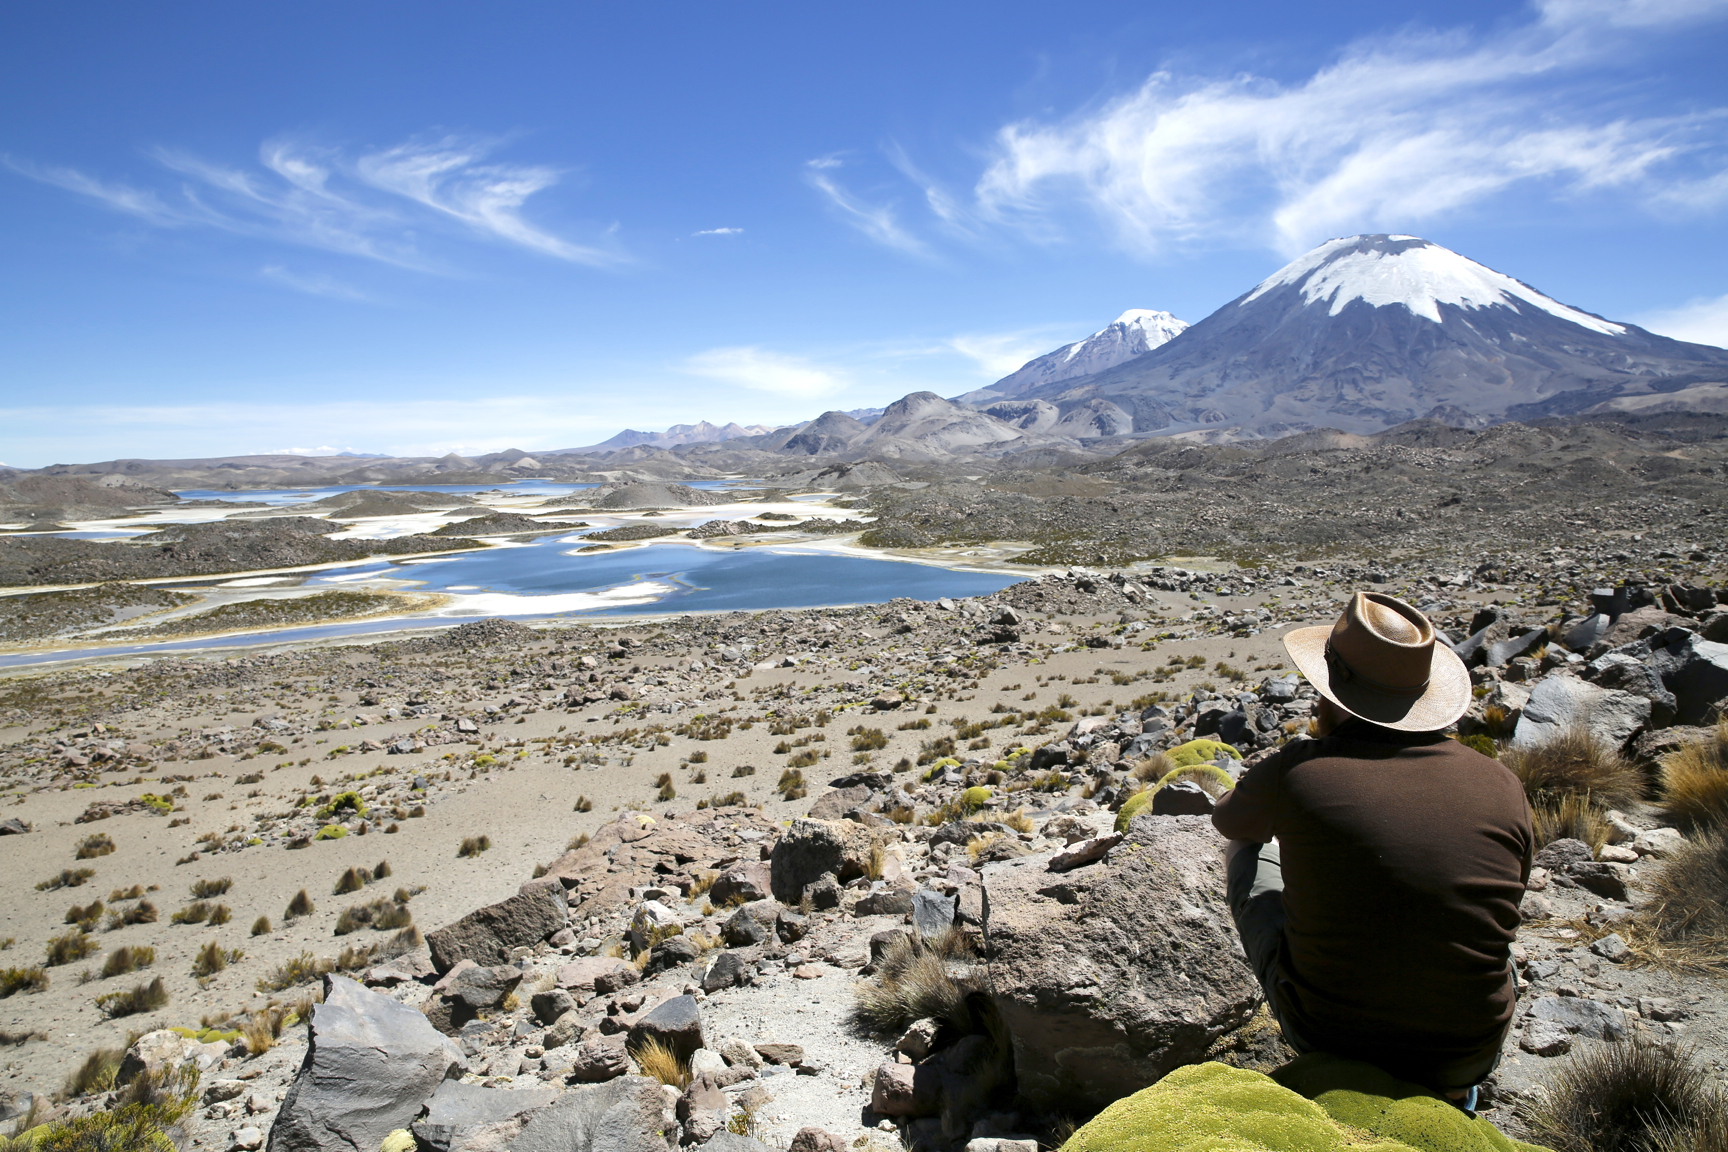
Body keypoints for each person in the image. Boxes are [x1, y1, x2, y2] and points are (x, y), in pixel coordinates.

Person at [1211, 591, 1532, 1111]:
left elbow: (1229, 821)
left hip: (1331, 1036)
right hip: (1471, 1050)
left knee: (1247, 853)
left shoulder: (1299, 770)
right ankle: (1450, 1093)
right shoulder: (1500, 783)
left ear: (1329, 691)